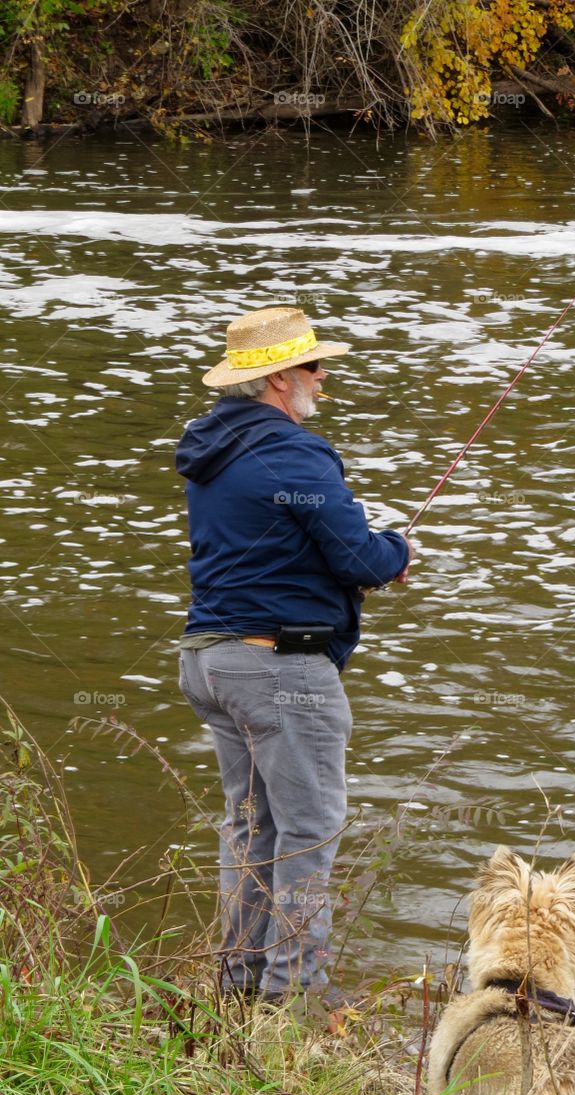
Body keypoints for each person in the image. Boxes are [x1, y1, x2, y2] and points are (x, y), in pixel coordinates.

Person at [175, 306, 411, 1007]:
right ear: (280, 379)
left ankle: (238, 992)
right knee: (306, 833)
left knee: (252, 829)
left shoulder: (210, 449)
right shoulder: (292, 452)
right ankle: (293, 1010)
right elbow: (357, 556)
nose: (322, 376)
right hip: (279, 668)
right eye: (313, 366)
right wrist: (397, 549)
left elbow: (284, 546)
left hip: (210, 660)